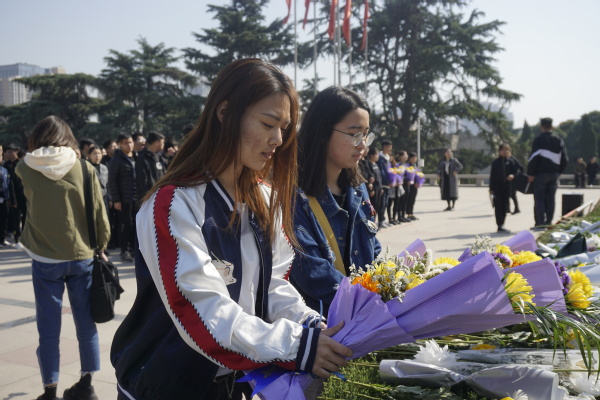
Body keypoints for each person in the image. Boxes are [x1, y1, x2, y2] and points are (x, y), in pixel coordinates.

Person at [110, 59, 352, 400]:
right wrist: (298, 346)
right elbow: (202, 312)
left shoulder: (265, 198)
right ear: (224, 113)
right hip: (165, 385)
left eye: (284, 128)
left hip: (234, 383)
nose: (278, 139)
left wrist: (310, 324)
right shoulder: (173, 203)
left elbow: (272, 285)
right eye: (268, 123)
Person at [15, 116, 110, 400]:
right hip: (81, 255)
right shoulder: (84, 167)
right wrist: (102, 245)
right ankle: (86, 385)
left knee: (48, 329)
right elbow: (99, 213)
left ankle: (50, 390)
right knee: (86, 326)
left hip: (44, 257)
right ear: (67, 136)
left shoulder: (24, 167)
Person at [289, 86, 382, 316]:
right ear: (322, 132)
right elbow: (314, 275)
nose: (363, 145)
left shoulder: (358, 189)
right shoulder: (293, 196)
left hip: (366, 318)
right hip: (323, 324)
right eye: (354, 134)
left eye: (366, 134)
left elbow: (373, 252)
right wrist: (371, 303)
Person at [527, 117, 568, 230]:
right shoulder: (558, 140)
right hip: (554, 174)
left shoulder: (538, 140)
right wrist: (559, 171)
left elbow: (534, 158)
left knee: (539, 199)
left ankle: (540, 223)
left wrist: (530, 173)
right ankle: (549, 222)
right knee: (551, 199)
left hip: (540, 174)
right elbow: (565, 159)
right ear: (551, 126)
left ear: (541, 127)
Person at [107, 133, 137, 262]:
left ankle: (134, 249)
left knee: (136, 224)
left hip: (137, 197)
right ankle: (124, 250)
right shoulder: (117, 160)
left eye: (130, 142)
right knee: (125, 224)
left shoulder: (136, 157)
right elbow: (112, 181)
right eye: (125, 143)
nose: (129, 145)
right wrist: (116, 200)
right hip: (124, 198)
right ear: (120, 144)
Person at [489, 144, 515, 233]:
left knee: (504, 206)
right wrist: (491, 188)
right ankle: (499, 225)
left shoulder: (510, 161)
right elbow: (492, 176)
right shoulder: (495, 162)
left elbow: (515, 171)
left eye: (506, 150)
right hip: (497, 188)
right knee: (498, 207)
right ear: (499, 151)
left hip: (507, 187)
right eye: (503, 150)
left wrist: (512, 175)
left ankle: (502, 224)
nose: (504, 152)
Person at [135, 131, 167, 203]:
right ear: (156, 142)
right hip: (148, 197)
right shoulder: (142, 158)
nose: (163, 145)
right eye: (162, 143)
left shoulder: (160, 157)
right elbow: (142, 181)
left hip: (160, 194)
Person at [376, 140, 393, 227]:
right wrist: (388, 181)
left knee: (386, 202)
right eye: (389, 146)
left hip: (388, 184)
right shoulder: (380, 158)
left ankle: (383, 219)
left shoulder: (388, 158)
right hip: (383, 184)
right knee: (382, 203)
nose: (391, 149)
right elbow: (382, 172)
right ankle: (380, 221)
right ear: (385, 146)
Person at [505, 147, 524, 214]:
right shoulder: (504, 160)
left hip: (513, 180)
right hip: (506, 180)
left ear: (510, 152)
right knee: (506, 194)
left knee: (512, 195)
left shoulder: (513, 159)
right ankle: (507, 209)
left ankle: (517, 208)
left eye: (507, 151)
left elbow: (521, 168)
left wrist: (517, 176)